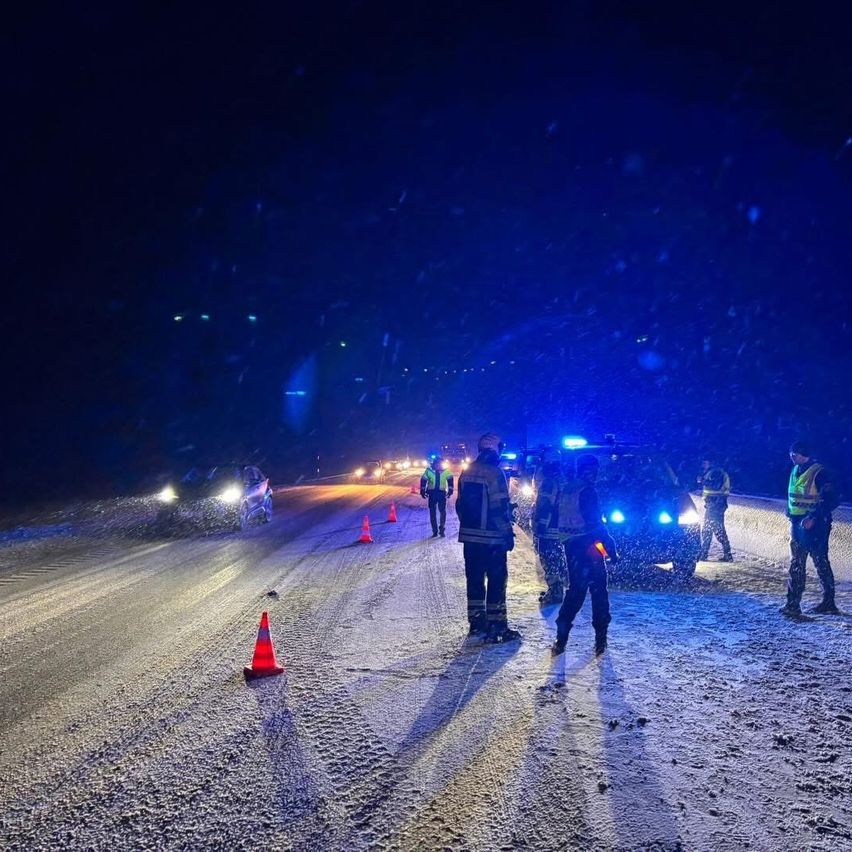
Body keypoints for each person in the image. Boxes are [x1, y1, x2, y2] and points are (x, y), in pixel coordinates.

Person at [551, 454, 619, 656]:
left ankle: (561, 638)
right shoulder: (587, 491)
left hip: (571, 545)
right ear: (587, 470)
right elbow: (595, 524)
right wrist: (611, 549)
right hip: (590, 545)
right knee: (599, 591)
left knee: (576, 591)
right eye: (594, 470)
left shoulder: (567, 489)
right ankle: (600, 640)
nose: (595, 474)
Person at [456, 432, 521, 643]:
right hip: (492, 539)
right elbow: (499, 508)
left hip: (470, 539)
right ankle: (497, 626)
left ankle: (476, 624)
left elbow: (460, 506)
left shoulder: (466, 473)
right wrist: (507, 533)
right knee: (496, 580)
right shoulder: (495, 473)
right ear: (496, 450)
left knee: (474, 581)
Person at [780, 440, 841, 616]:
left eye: (794, 453)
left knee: (819, 561)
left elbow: (832, 500)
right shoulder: (795, 470)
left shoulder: (820, 472)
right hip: (798, 523)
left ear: (803, 454)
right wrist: (790, 511)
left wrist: (813, 517)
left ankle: (828, 602)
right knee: (797, 563)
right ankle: (793, 604)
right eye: (791, 453)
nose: (791, 457)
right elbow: (794, 495)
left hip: (816, 525)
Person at [533, 448, 567, 606]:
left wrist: (540, 526)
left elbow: (545, 506)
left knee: (548, 558)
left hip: (550, 528)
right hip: (562, 528)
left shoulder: (549, 482)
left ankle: (554, 592)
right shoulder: (563, 479)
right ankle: (557, 589)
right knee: (558, 560)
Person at [696, 455, 733, 562]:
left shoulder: (717, 472)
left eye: (705, 462)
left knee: (716, 530)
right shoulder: (713, 472)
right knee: (710, 530)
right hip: (714, 504)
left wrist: (702, 481)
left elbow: (716, 485)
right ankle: (705, 554)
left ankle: (726, 555)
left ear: (711, 463)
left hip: (716, 504)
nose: (703, 464)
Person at [420, 456, 454, 537]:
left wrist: (450, 491)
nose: (438, 465)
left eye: (440, 464)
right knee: (432, 513)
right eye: (437, 464)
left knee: (443, 512)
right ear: (434, 464)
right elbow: (423, 480)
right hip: (432, 494)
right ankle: (434, 531)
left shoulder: (446, 471)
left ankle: (442, 529)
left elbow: (450, 481)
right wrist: (422, 490)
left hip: (441, 494)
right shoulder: (429, 471)